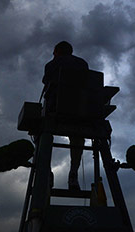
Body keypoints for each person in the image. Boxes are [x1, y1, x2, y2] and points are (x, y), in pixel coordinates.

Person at [42, 40, 88, 191]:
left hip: (56, 113)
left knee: (42, 136)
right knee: (78, 139)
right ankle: (73, 172)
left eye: (54, 52)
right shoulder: (82, 64)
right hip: (80, 114)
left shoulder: (50, 65)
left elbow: (46, 84)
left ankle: (46, 173)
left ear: (57, 51)